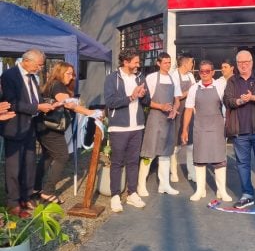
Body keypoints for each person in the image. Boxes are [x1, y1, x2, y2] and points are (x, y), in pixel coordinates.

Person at [34, 62, 102, 204]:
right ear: (60, 72)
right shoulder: (57, 85)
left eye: (73, 74)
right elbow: (68, 103)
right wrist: (91, 112)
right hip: (51, 128)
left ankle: (34, 187)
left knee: (47, 156)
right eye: (68, 73)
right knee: (62, 156)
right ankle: (48, 191)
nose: (72, 77)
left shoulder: (52, 84)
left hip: (44, 126)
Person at [0, 49, 57, 218]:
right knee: (14, 168)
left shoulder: (34, 77)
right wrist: (37, 107)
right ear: (27, 61)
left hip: (30, 127)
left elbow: (35, 99)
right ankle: (13, 203)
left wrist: (46, 104)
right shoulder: (10, 76)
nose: (40, 68)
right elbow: (12, 103)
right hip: (14, 127)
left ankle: (25, 197)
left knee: (29, 164)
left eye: (41, 65)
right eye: (38, 65)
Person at [223, 50, 255, 209]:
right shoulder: (232, 81)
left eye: (246, 62)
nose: (243, 65)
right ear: (236, 65)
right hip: (240, 131)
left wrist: (253, 98)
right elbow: (227, 100)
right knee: (242, 164)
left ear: (251, 62)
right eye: (240, 63)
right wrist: (238, 101)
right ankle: (247, 195)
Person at [104, 48, 151, 212]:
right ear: (126, 62)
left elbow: (147, 101)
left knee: (133, 161)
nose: (139, 65)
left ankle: (132, 193)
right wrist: (131, 97)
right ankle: (115, 196)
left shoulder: (140, 77)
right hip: (118, 127)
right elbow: (110, 102)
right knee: (117, 162)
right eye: (136, 62)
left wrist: (143, 94)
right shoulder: (112, 78)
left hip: (137, 126)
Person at [181, 60, 231, 202]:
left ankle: (222, 191)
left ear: (213, 72)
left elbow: (227, 107)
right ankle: (200, 190)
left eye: (207, 71)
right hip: (200, 128)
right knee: (200, 159)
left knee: (219, 159)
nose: (204, 74)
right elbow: (189, 109)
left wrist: (227, 125)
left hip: (217, 127)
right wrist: (184, 130)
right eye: (201, 71)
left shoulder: (221, 86)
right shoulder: (194, 88)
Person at [138, 52, 181, 196]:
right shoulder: (151, 78)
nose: (168, 65)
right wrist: (161, 106)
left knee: (166, 153)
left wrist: (174, 110)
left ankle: (164, 185)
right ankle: (141, 185)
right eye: (165, 63)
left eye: (169, 62)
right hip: (155, 119)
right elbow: (145, 100)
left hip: (169, 120)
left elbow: (177, 99)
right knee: (149, 152)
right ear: (158, 63)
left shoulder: (173, 78)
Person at [171, 53, 196, 182]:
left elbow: (195, 93)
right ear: (185, 63)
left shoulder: (191, 75)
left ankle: (191, 173)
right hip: (178, 112)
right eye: (191, 62)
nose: (193, 65)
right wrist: (189, 91)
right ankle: (173, 171)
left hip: (189, 111)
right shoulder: (174, 75)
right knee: (176, 145)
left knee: (191, 144)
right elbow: (175, 96)